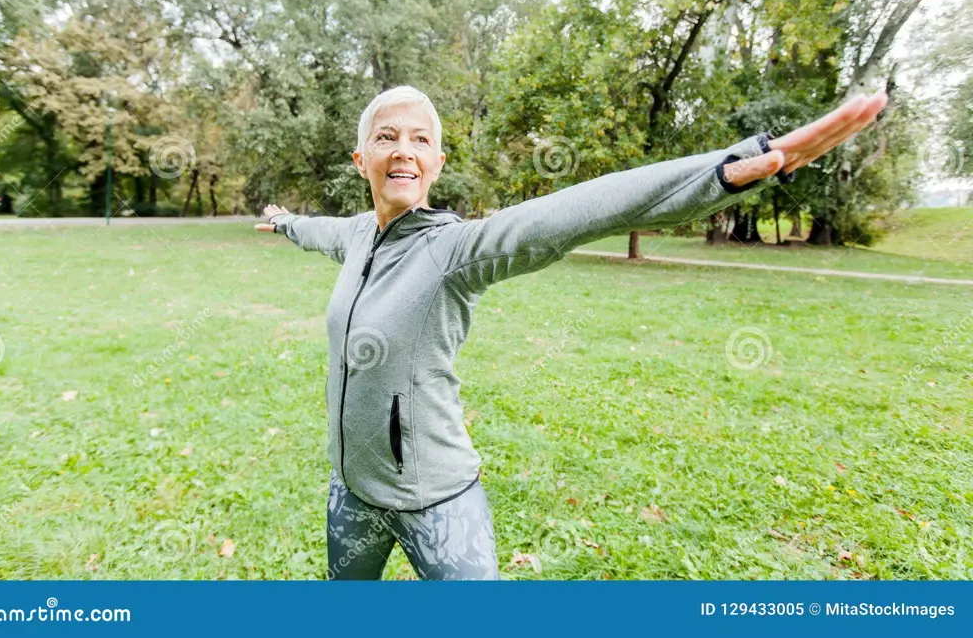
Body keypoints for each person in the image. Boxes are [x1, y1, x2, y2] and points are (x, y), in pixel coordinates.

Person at [254, 85, 888, 580]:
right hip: (352, 494)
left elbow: (573, 213)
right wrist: (284, 221)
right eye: (386, 137)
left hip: (436, 502)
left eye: (420, 140)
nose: (403, 150)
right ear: (361, 157)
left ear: (436, 163)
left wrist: (726, 168)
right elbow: (318, 228)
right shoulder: (357, 235)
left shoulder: (455, 250)